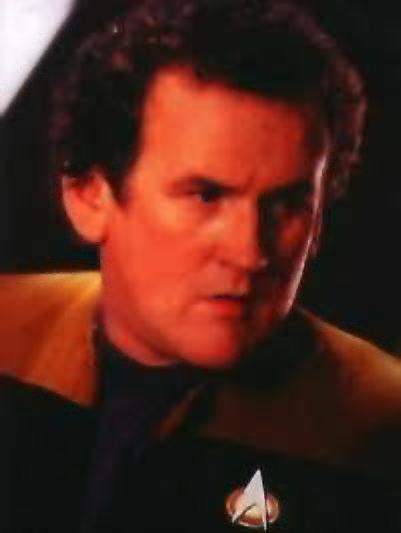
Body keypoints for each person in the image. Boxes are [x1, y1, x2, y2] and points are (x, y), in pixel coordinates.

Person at [1, 1, 401, 531]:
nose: (250, 253)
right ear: (88, 196)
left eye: (287, 204)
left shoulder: (382, 427)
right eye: (206, 195)